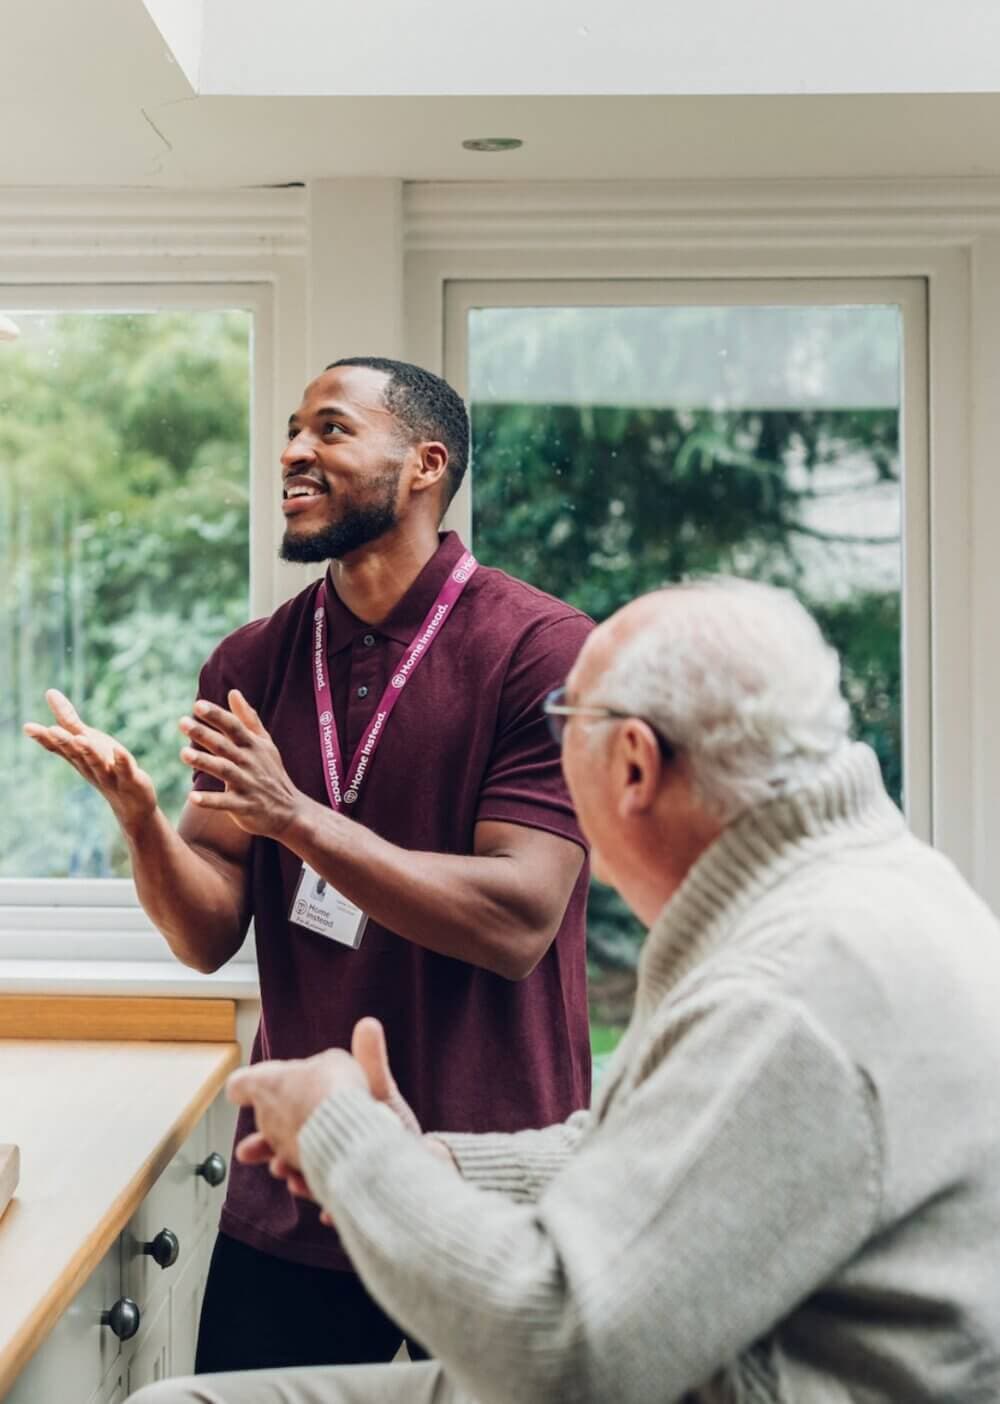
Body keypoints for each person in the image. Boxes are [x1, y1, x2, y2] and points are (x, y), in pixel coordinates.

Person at [132, 577, 1000, 1404]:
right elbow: (682, 1150)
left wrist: (341, 1137)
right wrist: (438, 1163)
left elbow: (563, 1355)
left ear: (633, 765)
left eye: (565, 724)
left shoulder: (786, 991)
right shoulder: (875, 891)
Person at [24, 357, 593, 1372]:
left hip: (488, 1190)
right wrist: (145, 824)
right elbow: (207, 934)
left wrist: (296, 817)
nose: (293, 450)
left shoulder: (542, 649)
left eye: (330, 429)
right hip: (295, 1192)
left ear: (424, 465)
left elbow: (517, 921)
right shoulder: (250, 662)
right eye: (292, 429)